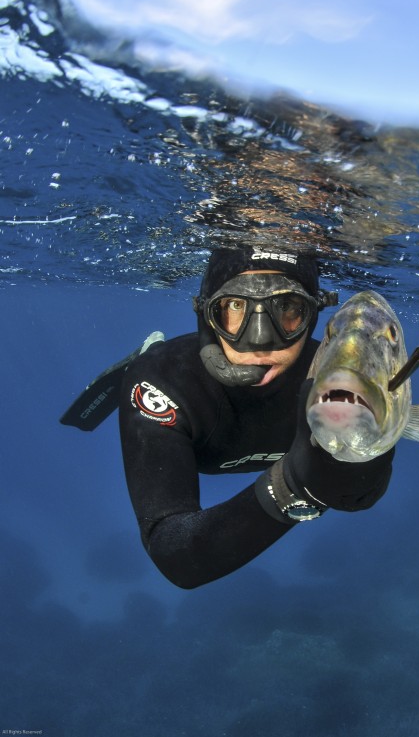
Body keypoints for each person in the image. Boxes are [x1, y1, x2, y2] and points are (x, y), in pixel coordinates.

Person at [118, 245, 395, 588]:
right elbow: (175, 556)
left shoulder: (337, 382)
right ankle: (148, 346)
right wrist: (292, 487)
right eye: (235, 307)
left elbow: (362, 490)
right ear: (206, 315)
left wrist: (364, 467)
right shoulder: (162, 383)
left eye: (289, 308)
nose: (261, 342)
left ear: (314, 317)